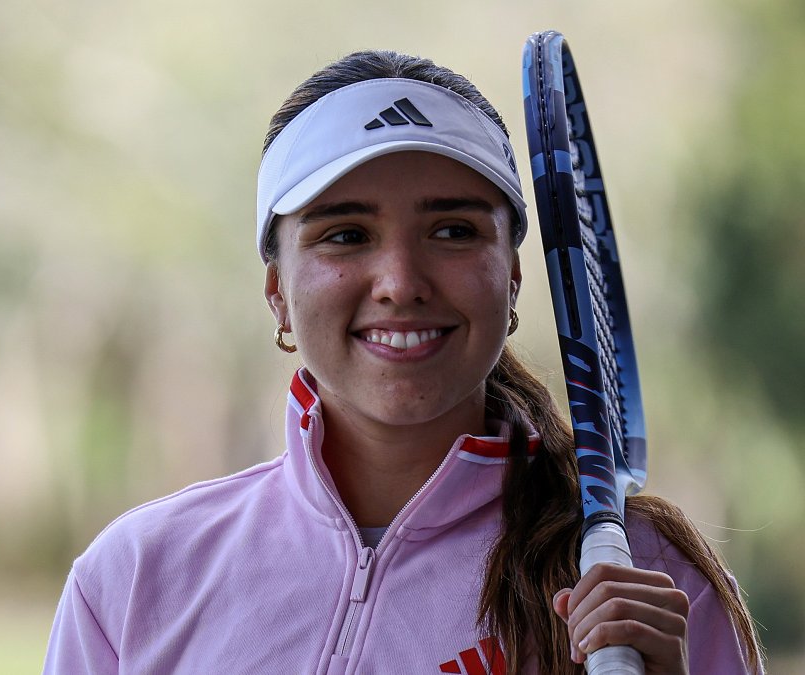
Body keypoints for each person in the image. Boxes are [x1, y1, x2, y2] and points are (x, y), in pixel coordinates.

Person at [43, 50, 763, 674]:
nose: (400, 280)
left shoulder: (647, 579)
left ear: (511, 278)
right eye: (346, 234)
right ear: (277, 294)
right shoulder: (136, 577)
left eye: (453, 230)